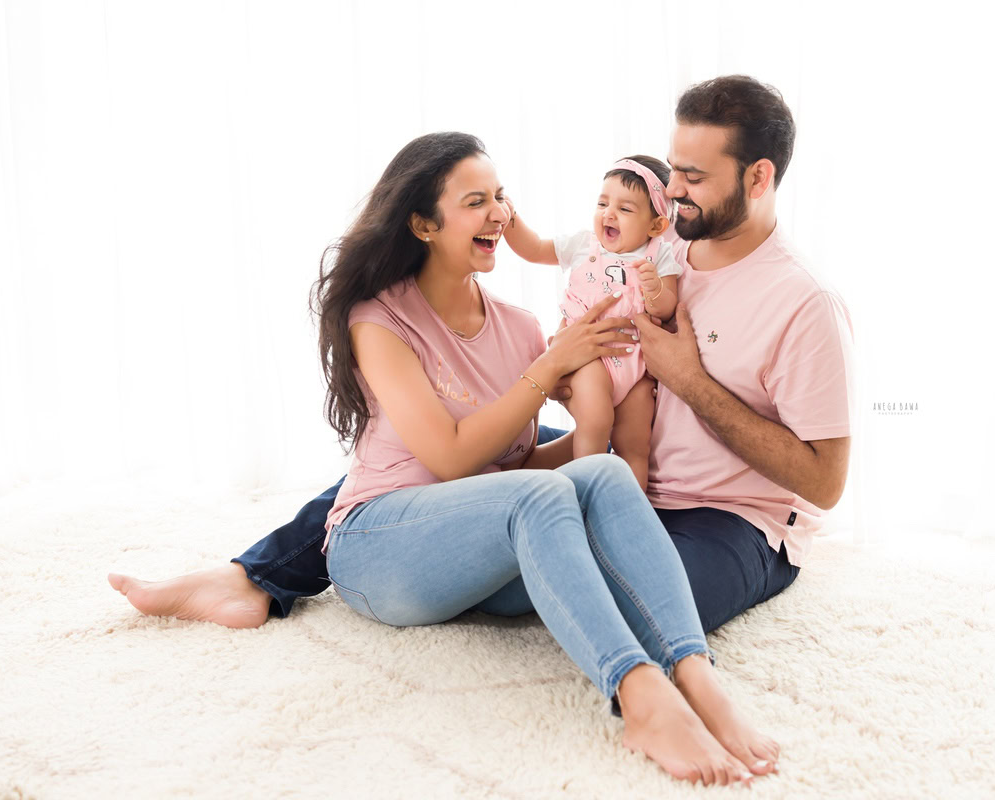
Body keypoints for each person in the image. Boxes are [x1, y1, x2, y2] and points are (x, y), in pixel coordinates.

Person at [112, 72, 854, 773]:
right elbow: (456, 457)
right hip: (409, 525)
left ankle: (698, 679)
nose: (675, 191)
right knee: (505, 485)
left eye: (692, 178)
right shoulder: (653, 254)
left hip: (709, 517)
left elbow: (518, 463)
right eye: (674, 172)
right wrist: (566, 380)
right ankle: (638, 691)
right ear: (422, 222)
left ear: (758, 177)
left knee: (572, 490)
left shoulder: (783, 297)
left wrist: (661, 394)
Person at [501, 155, 681, 488]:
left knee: (635, 443)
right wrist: (510, 218)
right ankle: (586, 495)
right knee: (596, 422)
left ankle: (632, 506)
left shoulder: (658, 255)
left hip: (636, 368)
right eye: (602, 203)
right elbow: (533, 248)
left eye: (625, 209)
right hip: (590, 357)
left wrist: (654, 287)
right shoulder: (584, 244)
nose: (608, 214)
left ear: (655, 226)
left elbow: (666, 307)